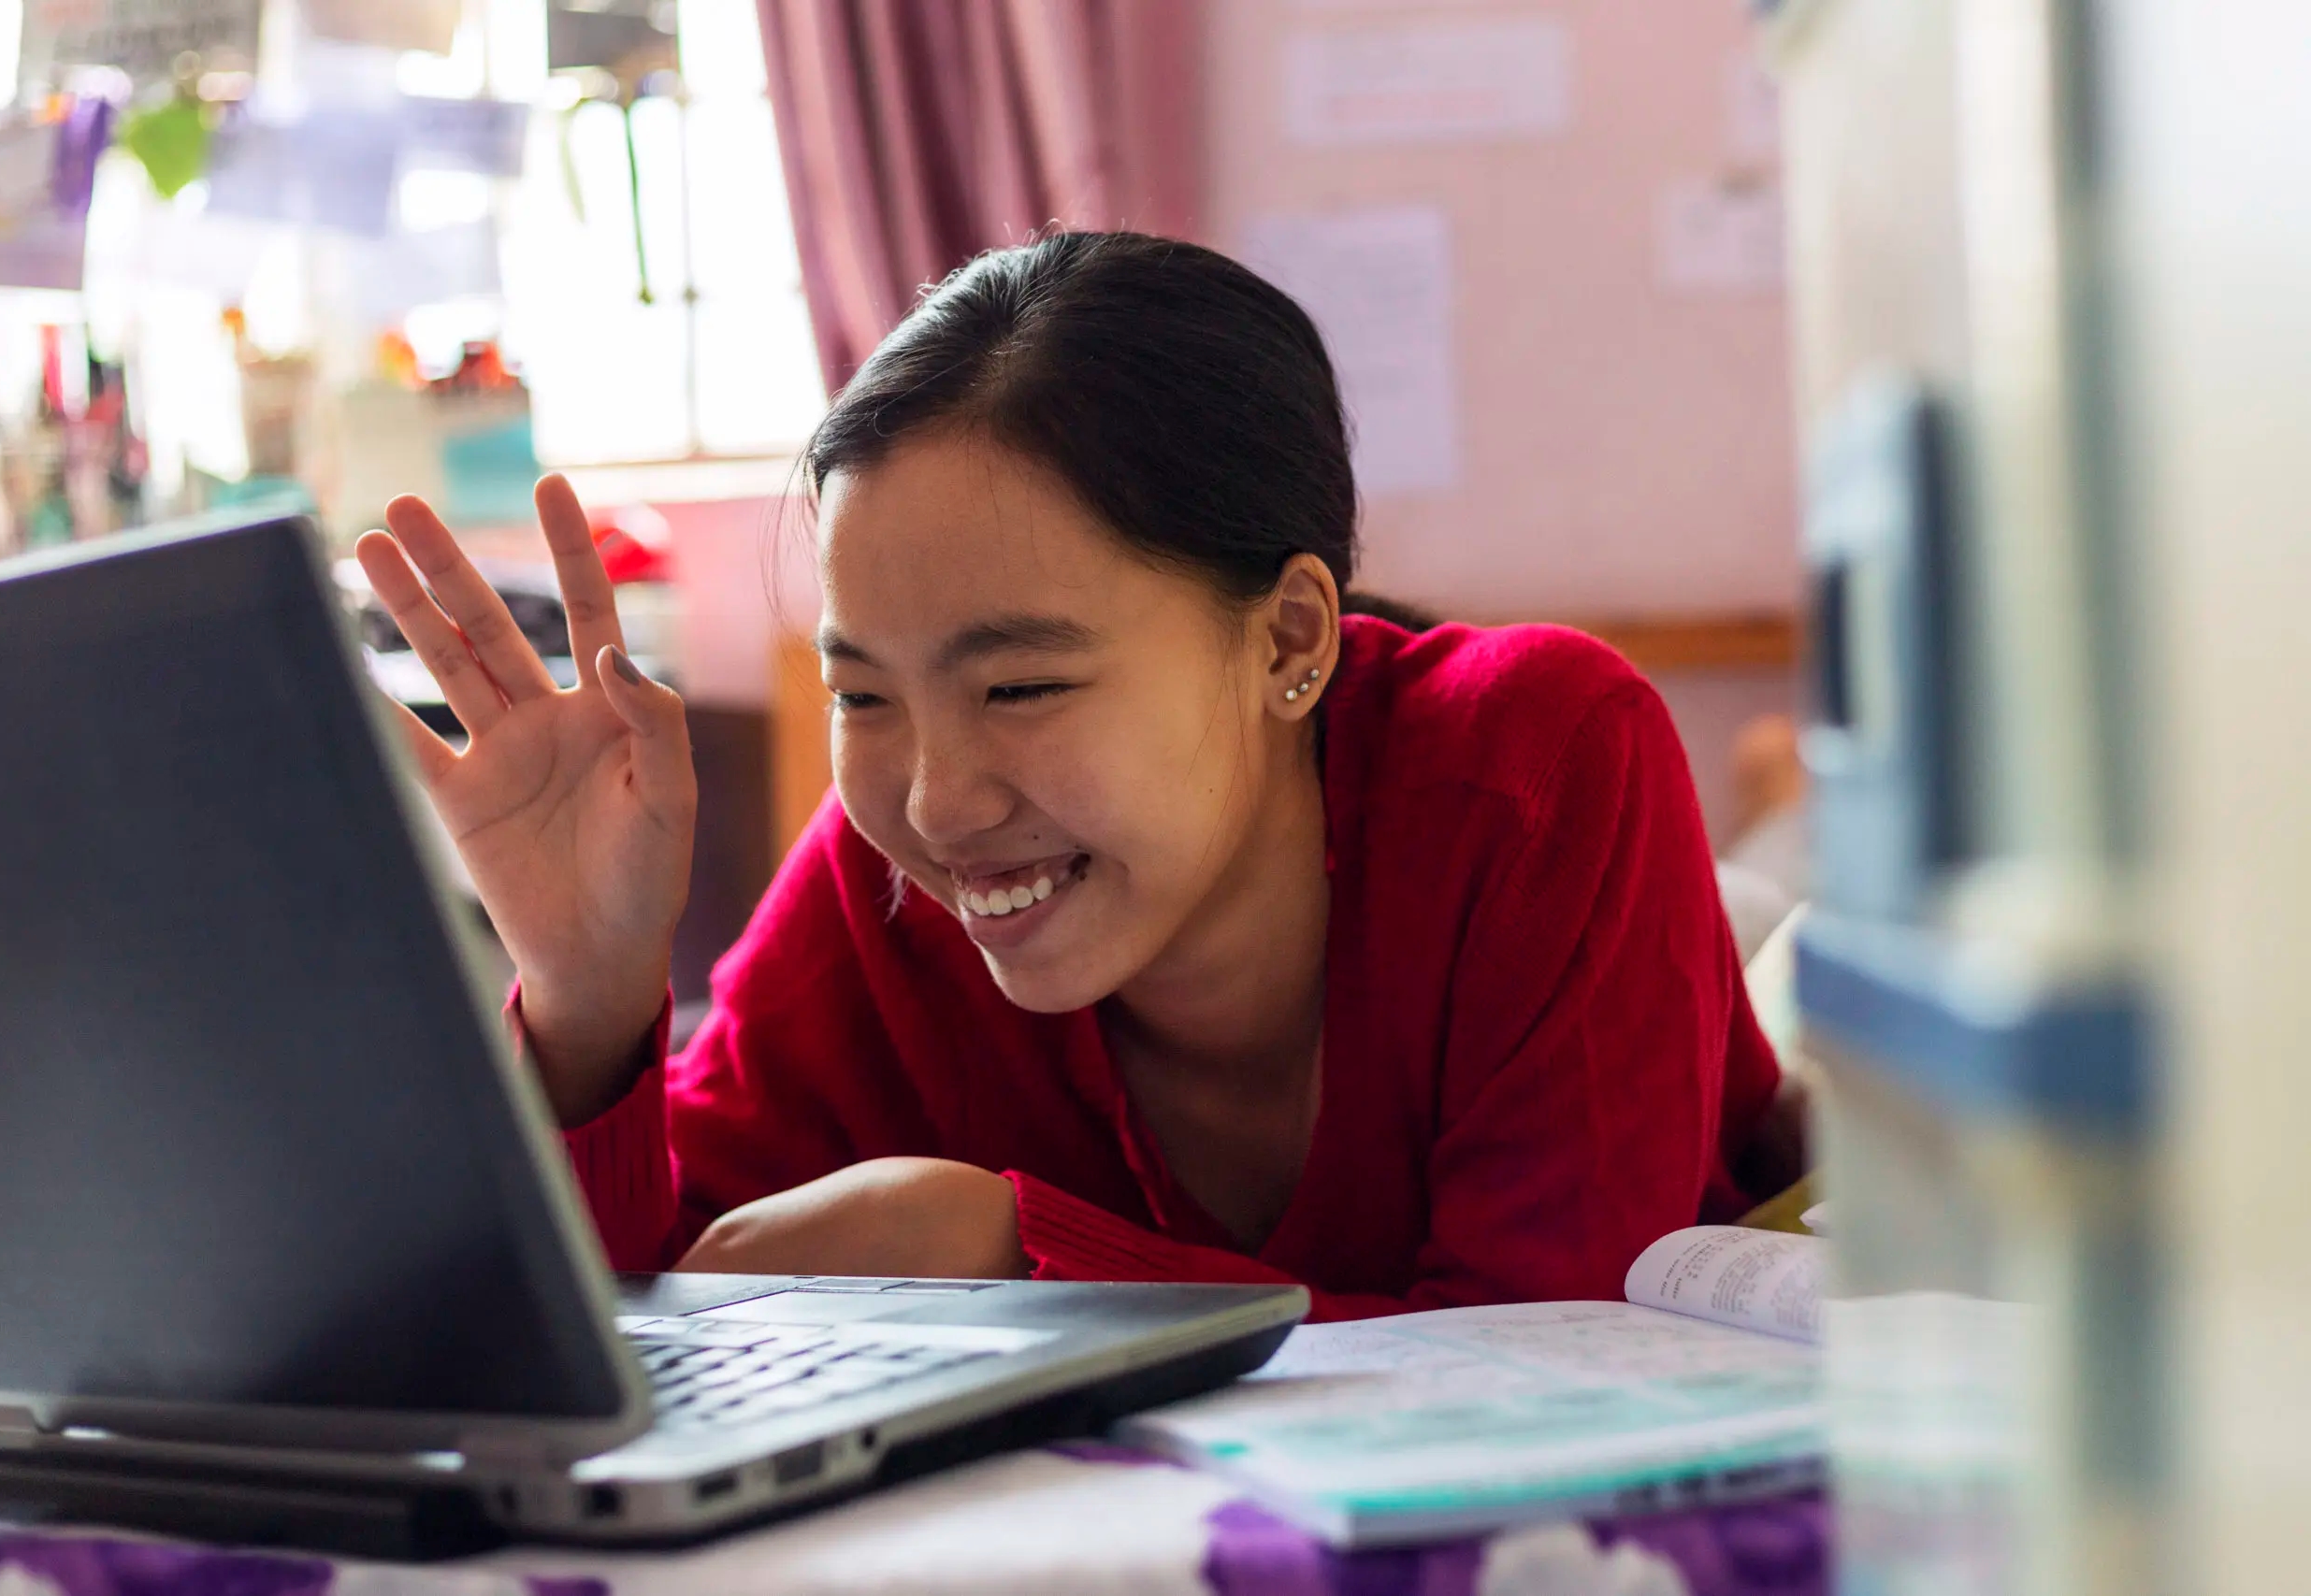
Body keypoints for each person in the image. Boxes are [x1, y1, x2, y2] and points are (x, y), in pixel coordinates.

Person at [358, 232, 1789, 1323]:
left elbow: (1566, 1369)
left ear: (1289, 635)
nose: (936, 801)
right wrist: (595, 1008)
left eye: (1021, 687)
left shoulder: (1538, 765)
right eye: (864, 692)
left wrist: (1021, 1256)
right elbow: (635, 1329)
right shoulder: (890, 887)